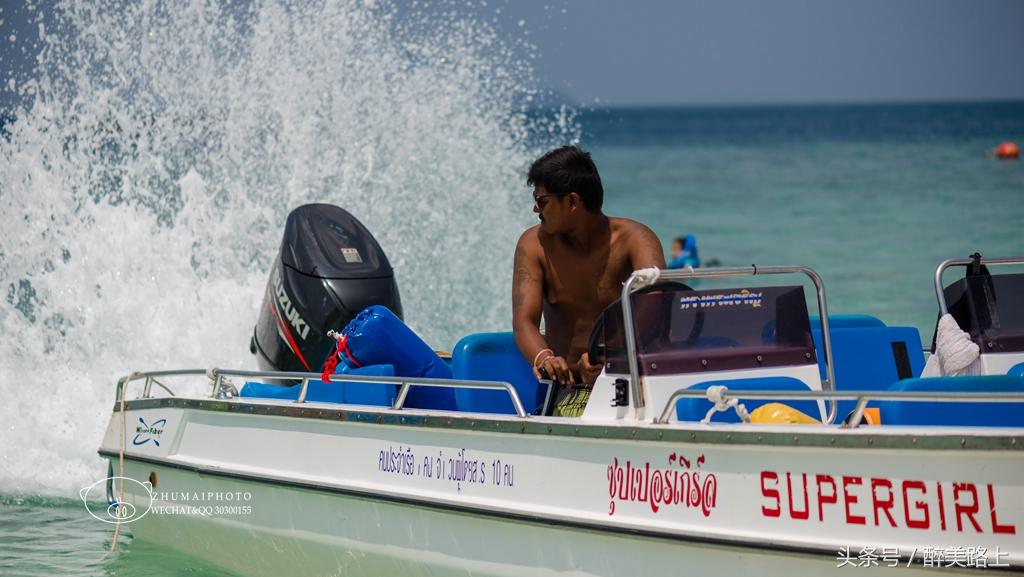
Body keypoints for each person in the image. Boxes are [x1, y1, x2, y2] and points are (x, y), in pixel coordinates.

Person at [512, 146, 666, 415]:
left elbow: (659, 307)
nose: (536, 208)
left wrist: (609, 359)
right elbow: (524, 322)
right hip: (568, 388)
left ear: (572, 202)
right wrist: (545, 358)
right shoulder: (534, 245)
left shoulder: (635, 239)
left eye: (542, 200)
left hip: (629, 379)